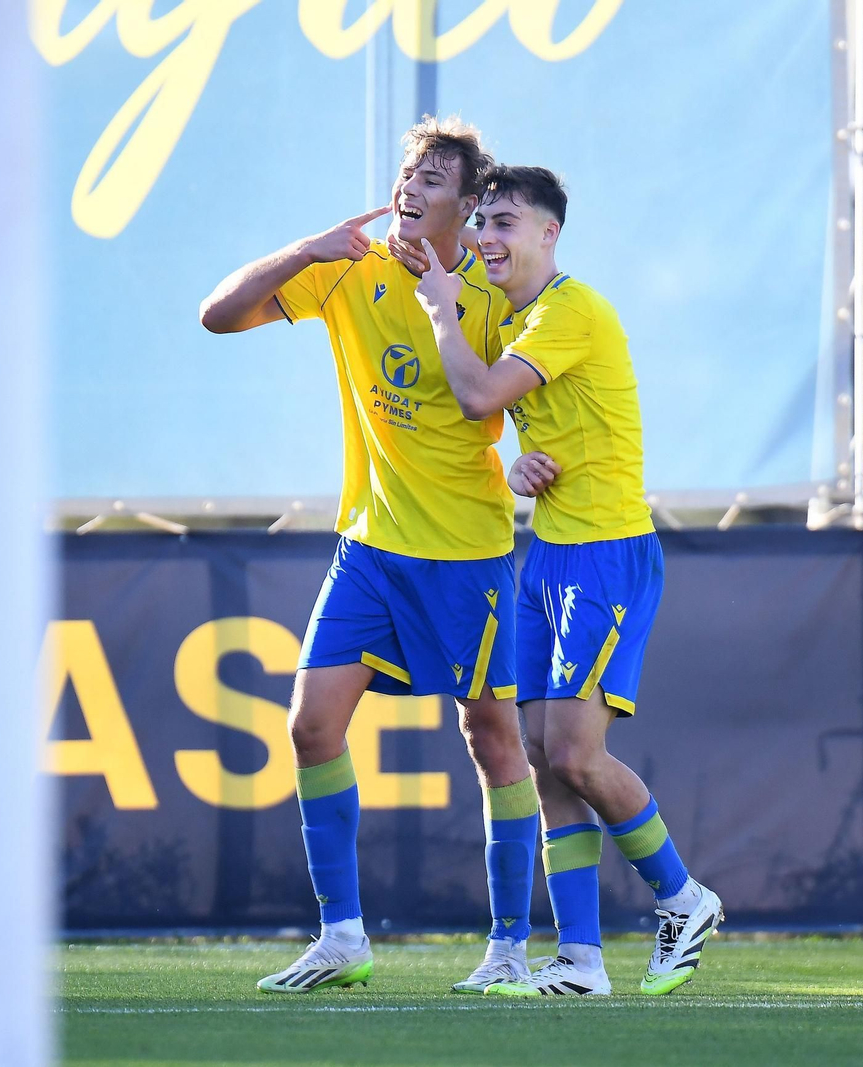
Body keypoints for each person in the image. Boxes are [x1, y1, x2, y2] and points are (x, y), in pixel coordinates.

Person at [199, 118, 539, 995]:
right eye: (408, 171)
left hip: (469, 551)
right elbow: (218, 315)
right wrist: (304, 249)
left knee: (492, 735)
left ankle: (508, 948)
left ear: (467, 208)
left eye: (435, 178)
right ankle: (341, 937)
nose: (412, 186)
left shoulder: (498, 296)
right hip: (370, 548)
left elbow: (506, 406)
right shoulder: (350, 267)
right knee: (311, 724)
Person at [412, 165, 722, 997]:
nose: (486, 238)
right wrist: (519, 468)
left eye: (505, 223)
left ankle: (684, 897)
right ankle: (580, 958)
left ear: (550, 234)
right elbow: (532, 420)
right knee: (544, 755)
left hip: (605, 553)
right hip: (547, 553)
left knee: (579, 753)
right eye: (482, 223)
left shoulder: (568, 310)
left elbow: (478, 396)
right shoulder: (521, 316)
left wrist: (441, 307)